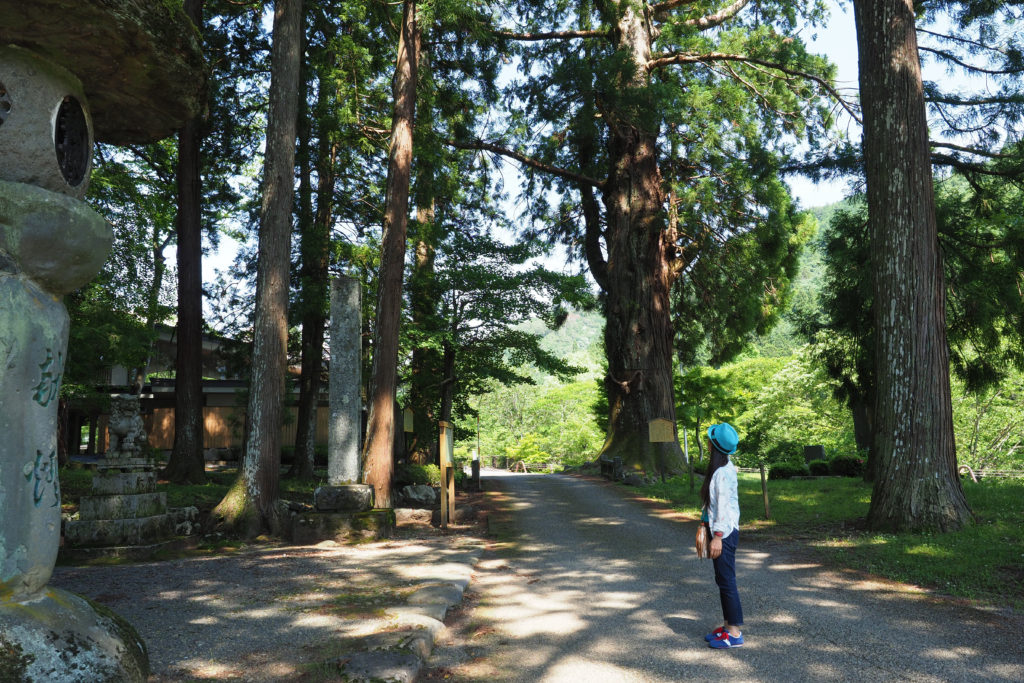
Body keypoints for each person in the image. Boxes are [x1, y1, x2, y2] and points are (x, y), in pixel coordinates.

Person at [701, 422, 744, 649]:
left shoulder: (723, 473)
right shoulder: (721, 468)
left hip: (724, 533)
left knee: (727, 581)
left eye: (709, 439)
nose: (707, 442)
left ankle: (734, 634)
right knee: (722, 579)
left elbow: (724, 508)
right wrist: (703, 524)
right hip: (720, 530)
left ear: (713, 445)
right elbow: (713, 503)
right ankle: (727, 627)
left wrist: (717, 536)